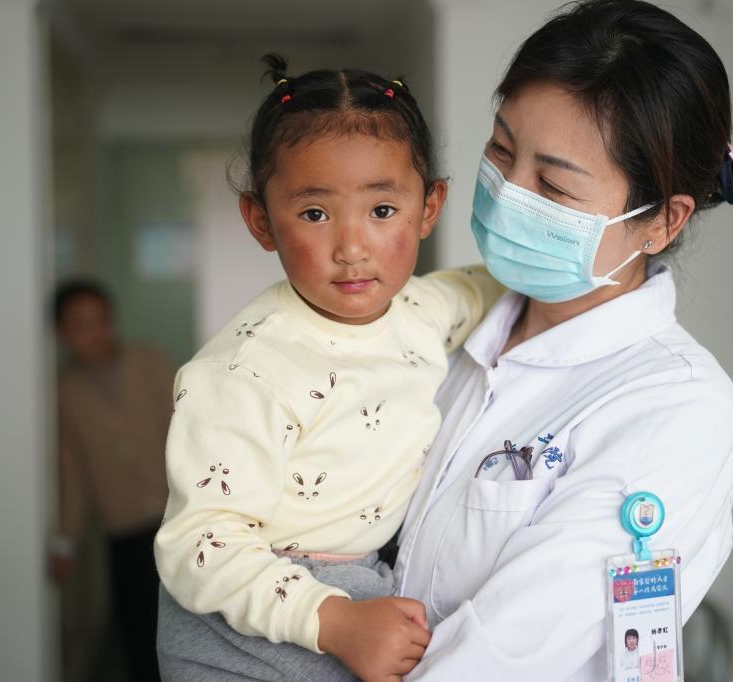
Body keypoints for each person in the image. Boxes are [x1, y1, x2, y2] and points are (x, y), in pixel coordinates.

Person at [393, 1, 733, 679]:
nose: (507, 192)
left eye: (553, 186)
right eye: (501, 150)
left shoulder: (677, 409)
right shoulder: (438, 323)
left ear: (662, 222)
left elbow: (504, 657)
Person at [153, 55, 503, 682]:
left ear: (429, 207)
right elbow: (199, 545)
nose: (352, 247)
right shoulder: (243, 372)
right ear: (261, 220)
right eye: (315, 214)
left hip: (355, 585)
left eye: (382, 210)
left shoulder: (422, 310)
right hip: (243, 604)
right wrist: (335, 619)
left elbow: (489, 288)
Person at [51, 279, 174, 681]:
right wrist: (65, 541)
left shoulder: (150, 363)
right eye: (80, 324)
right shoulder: (65, 392)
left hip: (177, 519)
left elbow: (190, 432)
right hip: (123, 530)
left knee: (186, 625)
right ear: (61, 333)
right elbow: (72, 473)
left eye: (100, 320)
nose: (95, 332)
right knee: (137, 633)